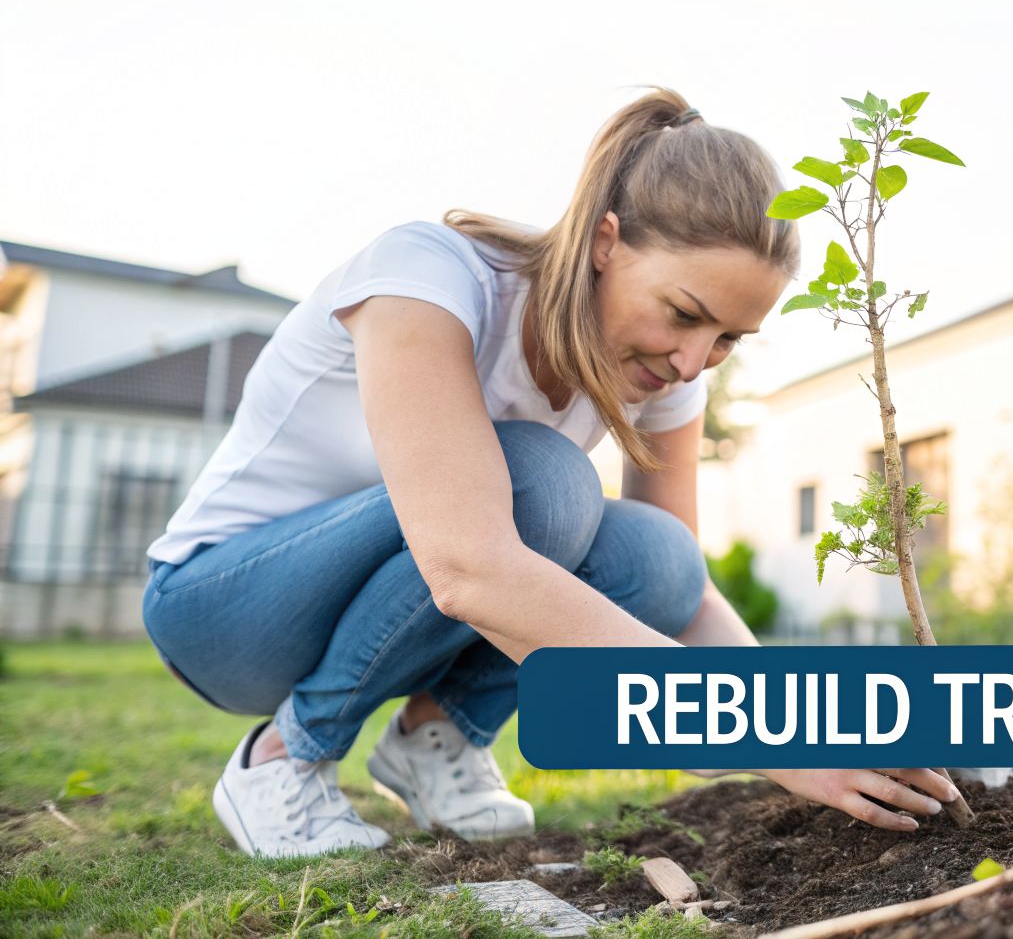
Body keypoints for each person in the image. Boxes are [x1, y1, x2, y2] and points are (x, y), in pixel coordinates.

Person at [142, 89, 961, 858]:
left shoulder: (670, 376)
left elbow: (682, 593)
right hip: (227, 610)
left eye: (727, 340)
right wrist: (761, 735)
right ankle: (281, 757)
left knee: (658, 555)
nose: (691, 361)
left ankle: (439, 738)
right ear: (606, 242)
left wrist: (800, 727)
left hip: (402, 607)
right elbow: (467, 566)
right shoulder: (430, 277)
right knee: (548, 482)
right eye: (684, 314)